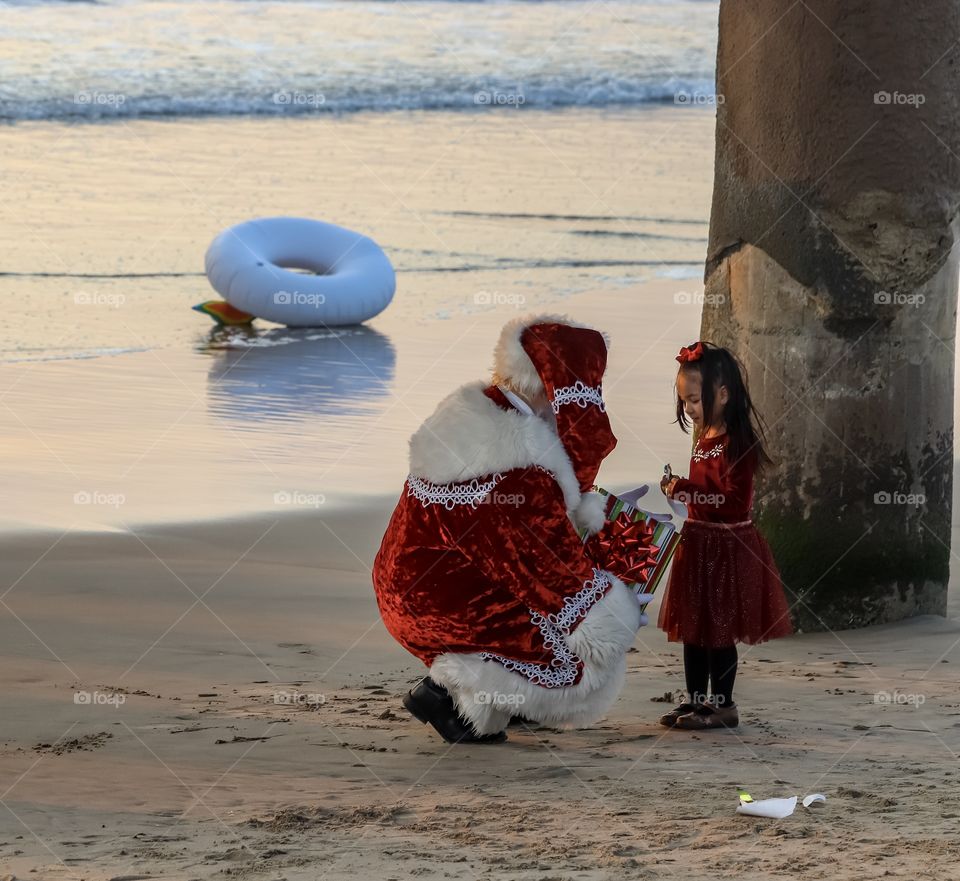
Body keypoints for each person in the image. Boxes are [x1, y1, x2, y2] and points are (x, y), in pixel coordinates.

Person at [372, 313, 646, 744]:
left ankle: (467, 700)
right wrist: (624, 606)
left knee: (553, 612)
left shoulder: (474, 412)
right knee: (584, 658)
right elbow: (557, 580)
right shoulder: (517, 472)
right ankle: (452, 695)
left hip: (406, 586)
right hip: (441, 607)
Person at [658, 340, 793, 730]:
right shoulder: (704, 437)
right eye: (684, 402)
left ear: (723, 393)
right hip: (697, 541)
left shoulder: (737, 442)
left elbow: (732, 501)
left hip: (726, 546)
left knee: (718, 630)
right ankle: (695, 699)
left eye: (695, 401)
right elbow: (702, 492)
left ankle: (723, 705)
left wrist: (683, 490)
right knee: (692, 629)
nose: (689, 409)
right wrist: (680, 487)